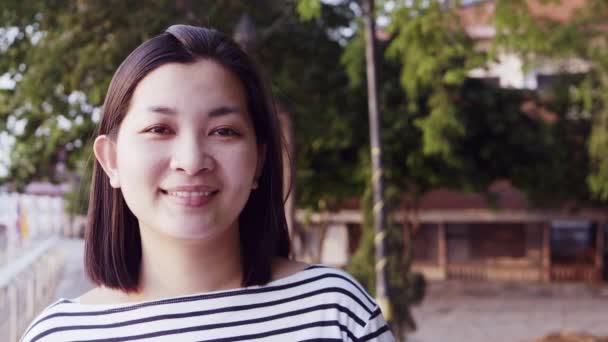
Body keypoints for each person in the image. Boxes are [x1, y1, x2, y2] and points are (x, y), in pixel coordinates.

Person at [21, 25, 394, 341]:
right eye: (159, 129)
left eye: (223, 131)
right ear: (111, 160)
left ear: (259, 160)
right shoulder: (61, 334)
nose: (192, 161)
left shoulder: (335, 312)